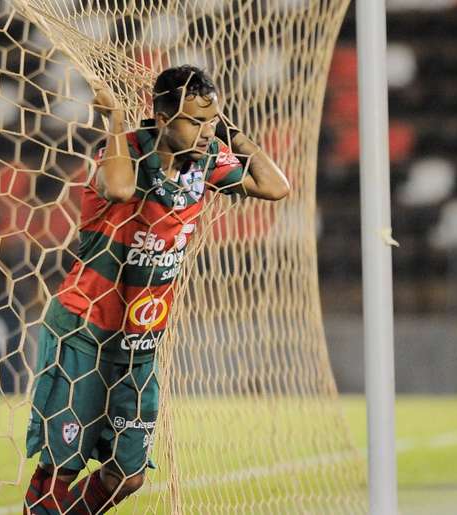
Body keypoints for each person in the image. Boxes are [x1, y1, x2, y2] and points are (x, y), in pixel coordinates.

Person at [23, 65, 290, 515]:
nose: (205, 132)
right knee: (61, 470)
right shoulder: (126, 153)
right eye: (195, 121)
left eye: (211, 121)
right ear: (163, 118)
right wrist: (113, 120)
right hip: (84, 332)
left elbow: (275, 187)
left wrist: (233, 134)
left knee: (127, 476)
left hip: (140, 343)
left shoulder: (204, 163)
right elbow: (121, 188)